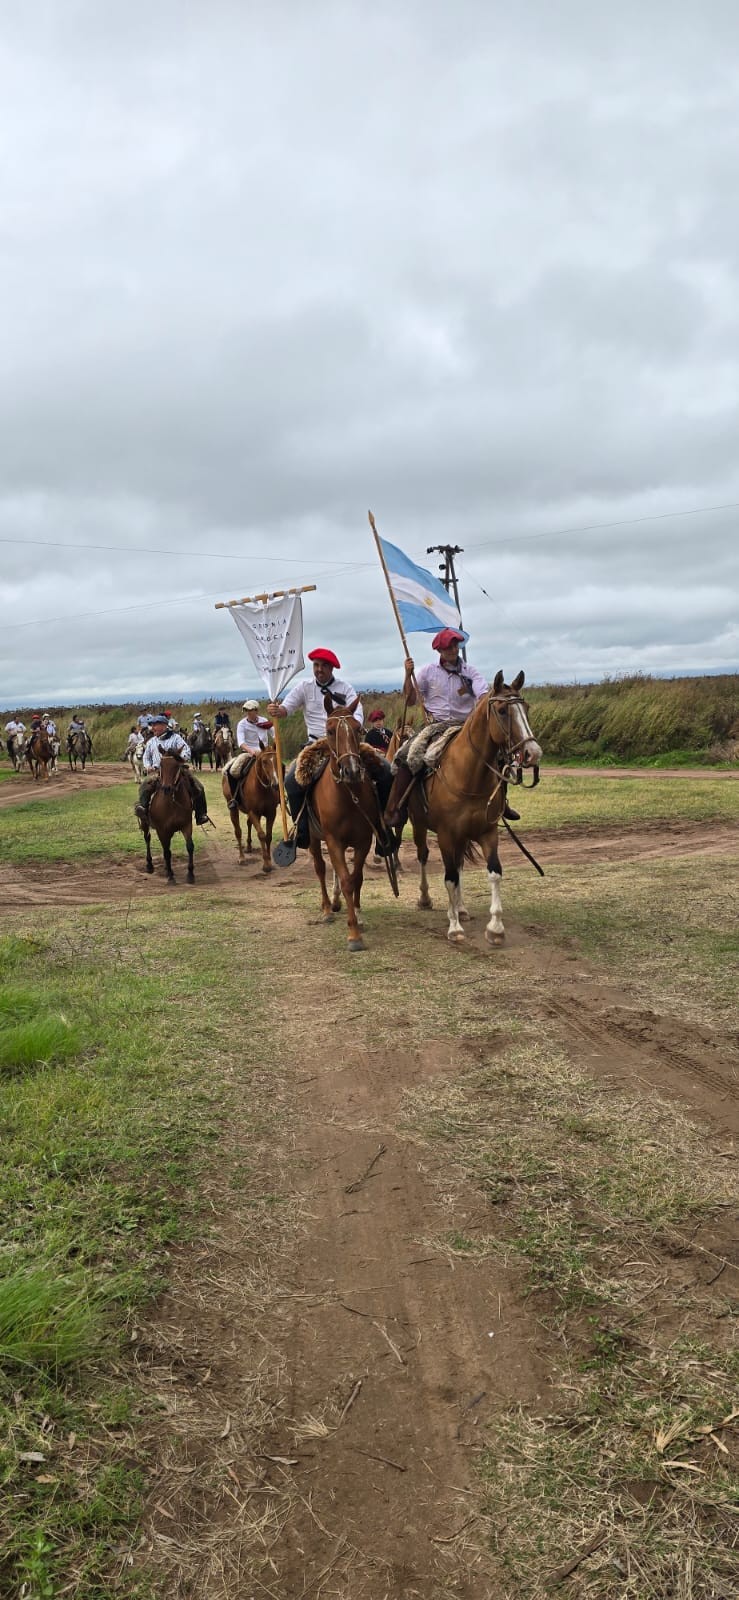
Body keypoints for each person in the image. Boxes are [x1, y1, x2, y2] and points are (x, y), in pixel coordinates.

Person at [384, 628, 519, 825]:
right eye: (448, 647)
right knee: (407, 755)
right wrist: (408, 675)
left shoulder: (470, 672)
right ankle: (398, 807)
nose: (453, 650)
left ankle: (501, 802)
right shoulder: (428, 672)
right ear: (439, 650)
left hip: (465, 726)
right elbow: (411, 700)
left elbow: (483, 695)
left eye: (455, 645)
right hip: (436, 727)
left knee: (499, 755)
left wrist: (486, 703)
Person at [267, 648, 369, 846]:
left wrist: (352, 729)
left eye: (323, 666)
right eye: (316, 665)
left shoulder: (345, 688)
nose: (319, 669)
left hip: (344, 742)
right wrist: (276, 710)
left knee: (382, 769)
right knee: (290, 781)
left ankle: (381, 825)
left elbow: (358, 714)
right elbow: (286, 708)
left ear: (332, 668)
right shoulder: (303, 687)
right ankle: (302, 830)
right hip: (316, 744)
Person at [134, 713, 211, 826]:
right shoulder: (151, 742)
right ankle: (143, 809)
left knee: (198, 786)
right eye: (152, 725)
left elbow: (186, 751)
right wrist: (148, 766)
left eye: (156, 725)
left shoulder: (176, 738)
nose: (153, 727)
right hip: (157, 771)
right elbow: (146, 757)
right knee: (144, 786)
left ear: (164, 726)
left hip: (176, 770)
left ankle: (200, 814)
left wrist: (180, 758)